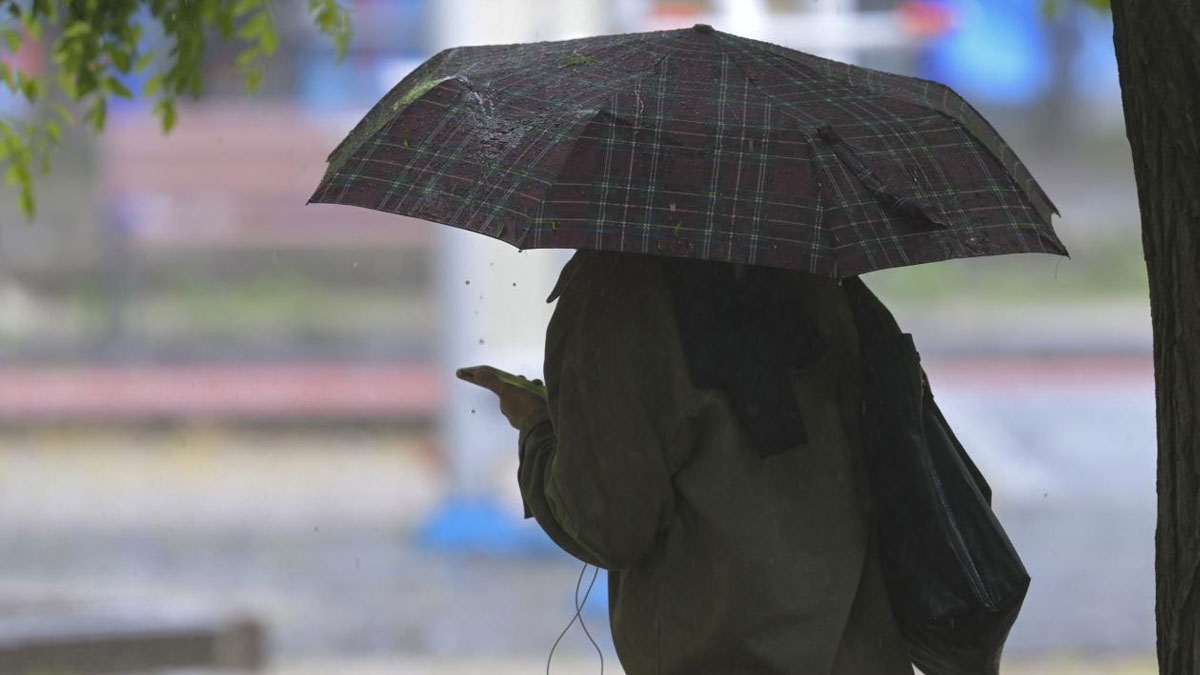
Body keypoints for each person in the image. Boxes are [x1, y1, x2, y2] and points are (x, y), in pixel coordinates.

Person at [463, 249, 912, 675]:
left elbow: (608, 524)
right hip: (861, 652)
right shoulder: (814, 267)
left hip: (726, 656)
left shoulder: (614, 289)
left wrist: (537, 427)